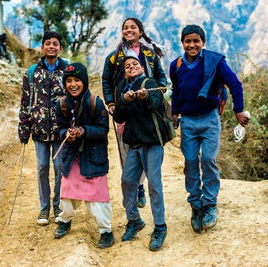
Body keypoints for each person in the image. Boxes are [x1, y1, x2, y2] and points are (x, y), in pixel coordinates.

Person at [169, 25, 250, 233]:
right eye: (188, 41)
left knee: (208, 160)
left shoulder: (215, 63)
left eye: (196, 41)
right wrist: (175, 113)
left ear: (203, 43)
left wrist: (239, 110)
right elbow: (176, 91)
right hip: (187, 121)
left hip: (210, 119)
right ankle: (195, 205)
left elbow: (235, 84)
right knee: (189, 161)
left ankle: (210, 204)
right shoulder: (176, 65)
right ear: (182, 43)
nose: (192, 45)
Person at [102, 17, 167, 208]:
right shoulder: (115, 57)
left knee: (147, 144)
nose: (129, 30)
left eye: (133, 27)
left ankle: (140, 184)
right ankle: (135, 187)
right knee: (126, 150)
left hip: (147, 108)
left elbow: (160, 75)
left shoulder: (149, 54)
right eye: (125, 28)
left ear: (140, 31)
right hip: (126, 107)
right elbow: (107, 80)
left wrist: (159, 89)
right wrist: (112, 102)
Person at [54, 62, 114, 249]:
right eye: (69, 81)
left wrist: (83, 131)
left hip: (93, 155)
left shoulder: (96, 102)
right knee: (67, 192)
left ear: (84, 82)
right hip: (72, 156)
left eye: (77, 80)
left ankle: (106, 231)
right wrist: (67, 134)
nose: (73, 84)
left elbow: (103, 130)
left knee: (97, 196)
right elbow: (60, 128)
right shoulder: (62, 104)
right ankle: (65, 220)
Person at [113, 56, 168, 251]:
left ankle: (160, 227)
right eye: (127, 66)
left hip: (152, 142)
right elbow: (118, 117)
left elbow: (156, 104)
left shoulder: (150, 83)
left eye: (135, 64)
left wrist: (144, 98)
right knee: (128, 181)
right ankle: (134, 220)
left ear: (142, 67)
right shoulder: (124, 89)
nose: (131, 67)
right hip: (134, 143)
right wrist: (122, 101)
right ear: (125, 72)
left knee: (154, 184)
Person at [18, 31, 70, 226]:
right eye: (47, 43)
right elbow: (25, 103)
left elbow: (74, 99)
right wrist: (23, 129)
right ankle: (44, 207)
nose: (51, 46)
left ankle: (57, 204)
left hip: (60, 130)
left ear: (60, 48)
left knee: (59, 168)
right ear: (42, 47)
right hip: (38, 130)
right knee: (42, 168)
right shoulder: (32, 73)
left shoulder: (67, 71)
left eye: (55, 44)